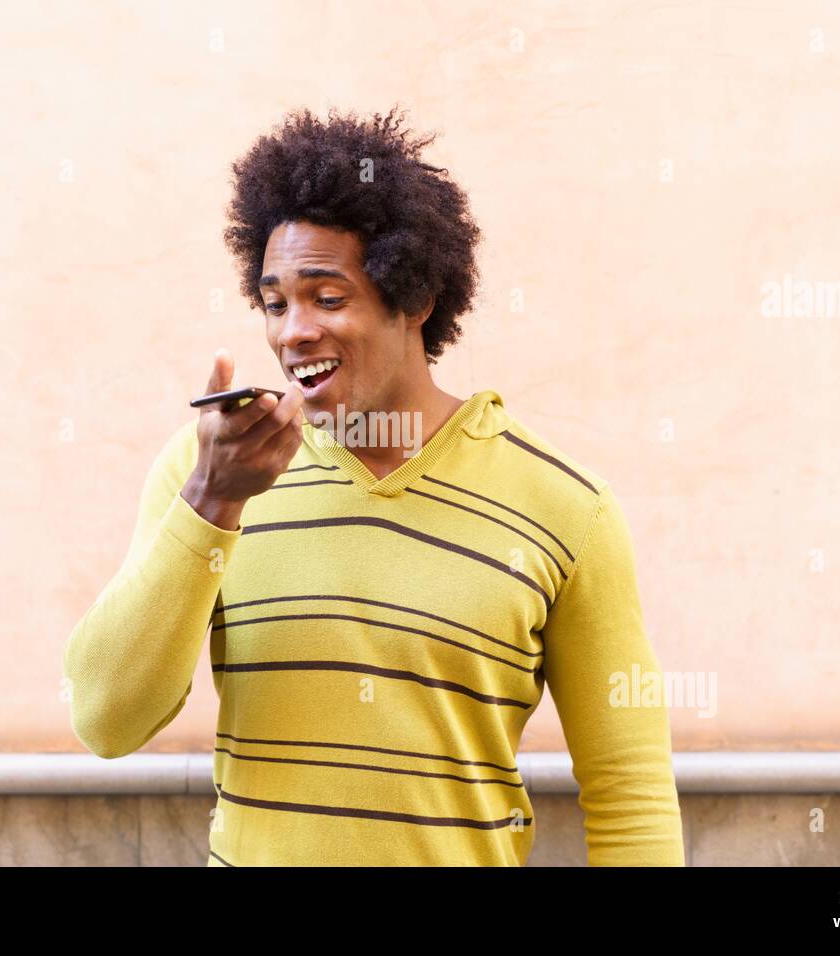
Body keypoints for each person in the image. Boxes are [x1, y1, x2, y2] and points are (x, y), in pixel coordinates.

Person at [63, 106, 684, 866]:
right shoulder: (205, 470)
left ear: (415, 297)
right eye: (275, 302)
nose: (293, 332)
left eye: (327, 298)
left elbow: (630, 789)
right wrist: (213, 503)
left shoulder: (565, 507)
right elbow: (105, 720)